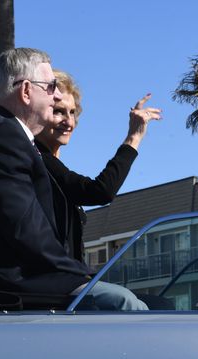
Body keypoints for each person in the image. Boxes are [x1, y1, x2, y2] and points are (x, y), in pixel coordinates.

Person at [0, 48, 154, 310]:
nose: (56, 96)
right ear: (25, 91)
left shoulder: (11, 137)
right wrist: (85, 276)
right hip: (4, 285)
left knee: (146, 303)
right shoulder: (1, 136)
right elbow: (27, 229)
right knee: (123, 304)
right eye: (51, 87)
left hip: (26, 278)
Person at [34, 70, 159, 265]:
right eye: (58, 111)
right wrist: (133, 137)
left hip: (72, 278)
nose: (69, 122)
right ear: (38, 111)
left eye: (73, 112)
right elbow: (101, 191)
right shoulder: (37, 158)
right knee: (124, 298)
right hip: (52, 285)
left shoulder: (50, 162)